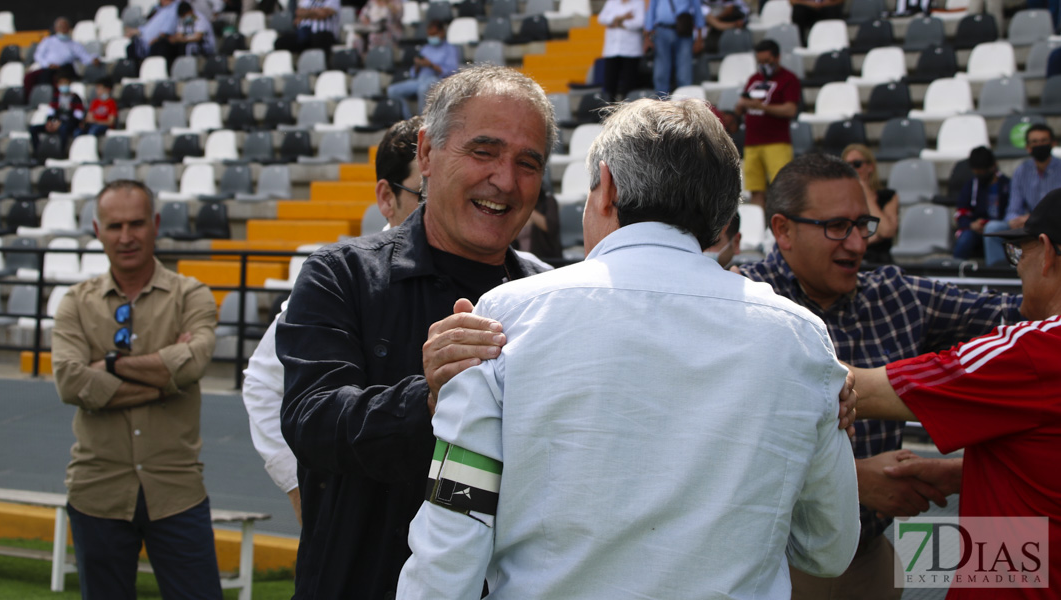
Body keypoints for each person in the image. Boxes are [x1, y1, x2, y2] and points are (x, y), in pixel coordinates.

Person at [397, 97, 860, 599]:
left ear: (608, 186)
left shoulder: (508, 316)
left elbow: (454, 532)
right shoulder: (798, 337)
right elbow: (829, 547)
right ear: (724, 210)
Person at [277, 65, 556, 600]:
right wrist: (426, 399)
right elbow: (310, 423)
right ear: (427, 153)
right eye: (484, 151)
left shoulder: (550, 299)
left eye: (528, 162)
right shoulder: (341, 274)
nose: (505, 179)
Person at [737, 153, 1023, 599]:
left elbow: (1018, 316)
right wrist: (850, 480)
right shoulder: (740, 305)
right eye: (836, 227)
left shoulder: (894, 295)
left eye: (863, 225)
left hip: (870, 559)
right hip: (768, 565)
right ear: (782, 230)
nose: (857, 244)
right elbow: (719, 444)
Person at [850, 190, 1061, 600]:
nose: (1020, 271)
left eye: (1021, 255)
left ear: (1047, 253)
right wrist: (968, 472)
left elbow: (862, 391)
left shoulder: (1032, 349)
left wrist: (758, 317)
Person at [241, 117, 426, 524]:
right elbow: (261, 383)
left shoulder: (519, 275)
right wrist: (298, 487)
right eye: (424, 192)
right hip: (367, 518)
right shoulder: (343, 279)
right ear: (386, 197)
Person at [51, 180, 221, 600]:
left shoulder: (191, 295)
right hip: (97, 491)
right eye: (114, 226)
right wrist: (165, 381)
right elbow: (71, 381)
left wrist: (108, 365)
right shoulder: (75, 302)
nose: (125, 237)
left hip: (176, 491)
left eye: (136, 224)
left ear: (156, 224)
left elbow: (195, 362)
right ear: (97, 230)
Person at [983, 124, 1061, 266]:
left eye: (1044, 141)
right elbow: (1013, 209)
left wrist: (1035, 219)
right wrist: (1015, 220)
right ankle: (1002, 275)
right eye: (1035, 142)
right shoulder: (1021, 171)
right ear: (1028, 147)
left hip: (1055, 225)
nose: (1040, 145)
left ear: (1053, 143)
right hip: (1029, 225)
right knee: (992, 228)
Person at [735, 39, 800, 208]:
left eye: (767, 61)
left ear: (777, 57)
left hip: (777, 142)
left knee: (782, 188)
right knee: (756, 190)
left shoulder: (788, 78)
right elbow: (739, 108)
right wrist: (742, 105)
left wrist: (761, 106)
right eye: (760, 62)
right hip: (752, 143)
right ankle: (759, 226)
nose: (763, 65)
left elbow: (790, 110)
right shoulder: (754, 79)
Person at [386, 21, 458, 118]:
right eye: (429, 35)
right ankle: (408, 118)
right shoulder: (426, 48)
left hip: (437, 80)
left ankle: (422, 121)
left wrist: (431, 65)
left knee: (423, 89)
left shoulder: (450, 49)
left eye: (434, 34)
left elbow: (452, 71)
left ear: (442, 32)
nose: (432, 37)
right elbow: (413, 74)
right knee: (392, 90)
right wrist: (417, 65)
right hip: (420, 79)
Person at [842, 144, 899, 264]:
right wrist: (874, 235)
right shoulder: (840, 198)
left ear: (870, 167)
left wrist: (866, 195)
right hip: (849, 256)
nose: (853, 169)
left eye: (857, 164)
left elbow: (887, 231)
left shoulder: (888, 196)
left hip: (880, 259)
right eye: (847, 165)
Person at [954, 146, 1011, 260]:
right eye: (977, 172)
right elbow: (961, 212)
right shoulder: (971, 185)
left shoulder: (1006, 185)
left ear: (993, 166)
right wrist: (972, 224)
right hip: (976, 229)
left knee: (993, 231)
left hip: (999, 229)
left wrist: (988, 223)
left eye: (983, 171)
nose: (981, 175)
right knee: (966, 238)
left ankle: (995, 272)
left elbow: (1012, 213)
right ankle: (955, 271)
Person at [23, 18, 99, 100]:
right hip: (48, 67)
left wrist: (93, 59)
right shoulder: (48, 41)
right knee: (29, 77)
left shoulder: (74, 44)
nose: (63, 29)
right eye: (60, 27)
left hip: (64, 69)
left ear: (69, 28)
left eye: (65, 27)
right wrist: (48, 64)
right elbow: (38, 56)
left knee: (52, 77)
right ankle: (29, 99)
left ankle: (52, 100)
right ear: (56, 28)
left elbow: (84, 57)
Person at [644, 0, 704, 96]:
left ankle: (685, 103)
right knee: (661, 72)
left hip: (683, 31)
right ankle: (661, 104)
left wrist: (699, 38)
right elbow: (651, 9)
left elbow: (697, 9)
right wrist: (647, 36)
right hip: (661, 30)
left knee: (684, 72)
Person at [597, 0, 646, 101]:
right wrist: (622, 17)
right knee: (610, 85)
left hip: (631, 51)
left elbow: (639, 22)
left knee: (629, 85)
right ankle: (609, 112)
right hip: (612, 50)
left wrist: (617, 23)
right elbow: (601, 18)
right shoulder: (612, 2)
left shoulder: (638, 2)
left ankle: (628, 112)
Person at [29, 72, 85, 154]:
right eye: (61, 83)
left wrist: (61, 123)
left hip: (70, 124)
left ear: (70, 83)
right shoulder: (55, 97)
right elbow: (51, 113)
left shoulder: (76, 98)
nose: (63, 85)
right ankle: (37, 152)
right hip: (56, 123)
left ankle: (61, 152)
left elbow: (77, 117)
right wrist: (50, 123)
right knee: (33, 128)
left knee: (63, 128)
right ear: (58, 85)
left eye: (65, 83)